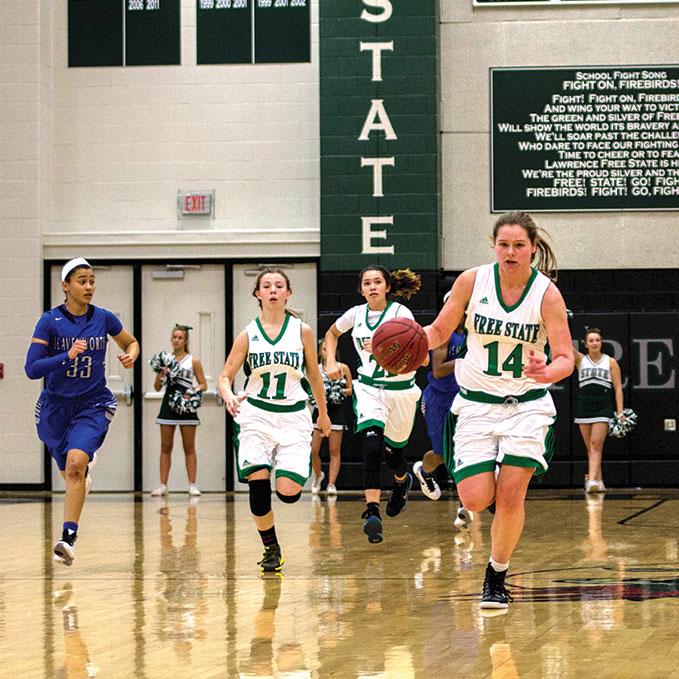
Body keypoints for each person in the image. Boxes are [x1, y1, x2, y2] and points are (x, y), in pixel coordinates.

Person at [423, 212, 574, 609]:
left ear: (533, 249)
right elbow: (439, 332)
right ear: (494, 245)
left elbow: (565, 358)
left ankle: (496, 575)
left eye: (519, 245)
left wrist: (546, 370)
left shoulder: (547, 294)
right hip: (475, 404)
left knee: (510, 496)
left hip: (526, 407)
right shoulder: (472, 282)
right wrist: (403, 341)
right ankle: (488, 498)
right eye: (504, 244)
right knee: (474, 500)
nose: (510, 252)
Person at [25, 257, 139, 566]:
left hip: (92, 403)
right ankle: (82, 468)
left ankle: (68, 538)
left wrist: (130, 354)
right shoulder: (49, 321)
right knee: (71, 471)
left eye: (92, 281)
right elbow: (31, 369)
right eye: (82, 281)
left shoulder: (103, 318)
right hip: (54, 407)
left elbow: (131, 342)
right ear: (66, 286)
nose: (89, 286)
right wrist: (66, 355)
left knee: (76, 464)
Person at [218, 268, 330, 573]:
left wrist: (323, 411)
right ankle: (271, 547)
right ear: (258, 294)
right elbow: (225, 376)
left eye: (279, 286)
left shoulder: (302, 331)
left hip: (294, 414)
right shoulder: (248, 333)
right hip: (256, 414)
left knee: (288, 492)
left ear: (288, 294)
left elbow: (315, 376)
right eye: (266, 286)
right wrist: (228, 395)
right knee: (257, 486)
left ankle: (288, 483)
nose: (272, 290)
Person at [324, 266, 424, 544]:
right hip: (368, 389)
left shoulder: (401, 315)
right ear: (361, 289)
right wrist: (331, 361)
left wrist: (384, 348)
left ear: (387, 286)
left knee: (393, 455)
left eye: (377, 282)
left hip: (401, 391)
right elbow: (332, 333)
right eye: (366, 283)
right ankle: (372, 512)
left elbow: (419, 355)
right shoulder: (355, 314)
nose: (372, 287)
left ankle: (402, 482)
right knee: (370, 446)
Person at [412, 290, 472, 528]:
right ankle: (423, 471)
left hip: (463, 397)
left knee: (463, 452)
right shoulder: (443, 335)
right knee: (442, 454)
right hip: (438, 399)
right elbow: (438, 370)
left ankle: (464, 507)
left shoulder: (471, 334)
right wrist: (464, 362)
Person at [151, 325, 208, 497]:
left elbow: (203, 384)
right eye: (174, 337)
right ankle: (163, 485)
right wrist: (162, 374)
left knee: (189, 447)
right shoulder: (165, 360)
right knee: (165, 446)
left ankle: (192, 485)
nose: (176, 340)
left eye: (180, 338)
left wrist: (192, 393)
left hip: (186, 406)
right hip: (168, 405)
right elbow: (157, 386)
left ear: (185, 340)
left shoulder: (193, 361)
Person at [573, 327, 625, 493]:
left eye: (597, 340)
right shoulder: (580, 360)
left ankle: (592, 481)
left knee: (596, 445)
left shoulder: (610, 362)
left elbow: (618, 388)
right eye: (591, 341)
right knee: (590, 447)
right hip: (584, 406)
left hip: (603, 406)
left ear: (601, 342)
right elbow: (565, 345)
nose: (595, 343)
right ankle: (599, 480)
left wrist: (620, 412)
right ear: (585, 344)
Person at [310, 339, 352, 495]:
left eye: (331, 349)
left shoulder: (343, 368)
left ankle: (331, 484)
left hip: (337, 411)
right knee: (313, 450)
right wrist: (322, 395)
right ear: (320, 351)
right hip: (320, 411)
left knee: (334, 450)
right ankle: (319, 475)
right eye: (325, 349)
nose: (328, 352)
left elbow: (350, 390)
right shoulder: (315, 369)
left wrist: (337, 391)